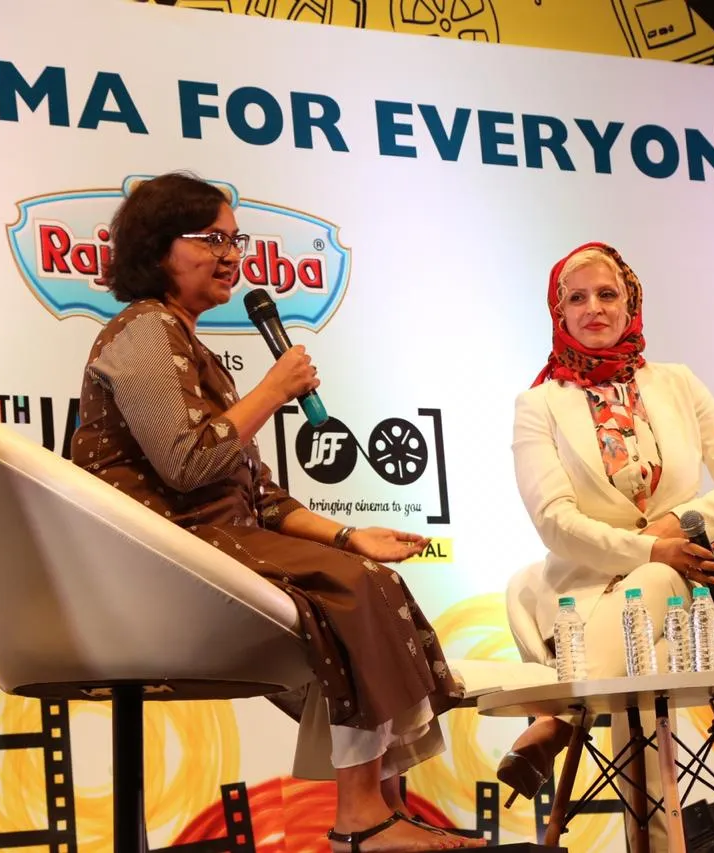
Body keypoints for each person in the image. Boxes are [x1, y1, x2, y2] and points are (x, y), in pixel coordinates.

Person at [70, 172, 485, 853]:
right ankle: (361, 816)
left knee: (363, 575)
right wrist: (273, 388)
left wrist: (352, 533)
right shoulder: (144, 330)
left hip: (209, 540)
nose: (232, 254)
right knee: (353, 591)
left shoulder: (190, 343)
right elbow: (186, 462)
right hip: (158, 555)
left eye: (236, 240)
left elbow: (258, 494)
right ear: (157, 247)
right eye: (211, 238)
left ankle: (381, 809)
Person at [503, 242, 714, 849]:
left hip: (689, 578)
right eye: (577, 298)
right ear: (559, 313)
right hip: (586, 585)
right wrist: (647, 551)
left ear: (631, 305)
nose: (593, 307)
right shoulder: (538, 404)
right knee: (654, 582)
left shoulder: (677, 384)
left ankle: (560, 718)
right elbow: (553, 521)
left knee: (663, 583)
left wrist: (675, 526)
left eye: (607, 294)